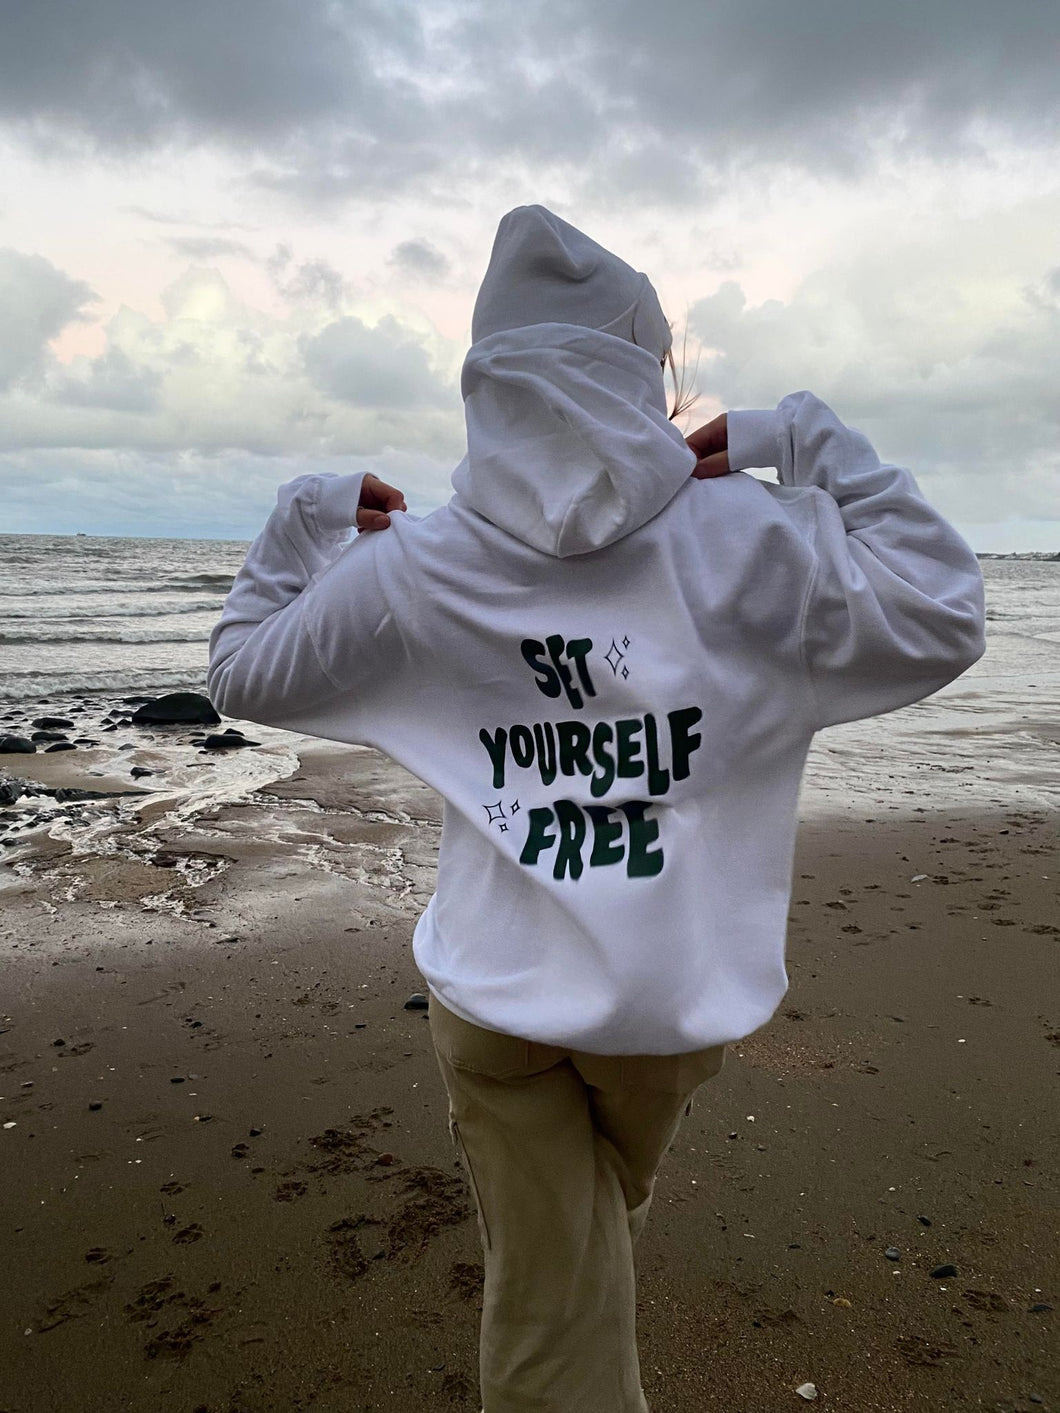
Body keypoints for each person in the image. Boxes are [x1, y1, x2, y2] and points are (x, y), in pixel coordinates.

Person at [206, 205, 986, 1413]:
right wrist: (804, 441)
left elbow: (241, 669)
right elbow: (941, 611)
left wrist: (302, 523)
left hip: (495, 997)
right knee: (557, 1291)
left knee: (567, 1257)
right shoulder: (751, 546)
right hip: (670, 1012)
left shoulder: (416, 567)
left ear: (486, 380)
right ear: (643, 373)